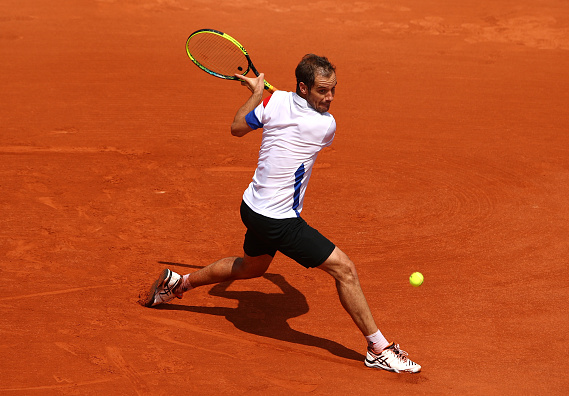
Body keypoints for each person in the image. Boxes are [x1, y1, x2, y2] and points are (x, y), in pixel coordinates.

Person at [140, 54, 421, 373]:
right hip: (278, 219)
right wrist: (270, 98)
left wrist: (257, 95)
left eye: (333, 90)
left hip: (252, 206)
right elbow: (292, 119)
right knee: (344, 269)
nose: (329, 98)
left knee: (251, 267)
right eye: (322, 91)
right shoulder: (324, 126)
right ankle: (378, 348)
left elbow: (236, 127)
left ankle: (177, 284)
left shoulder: (273, 105)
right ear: (303, 87)